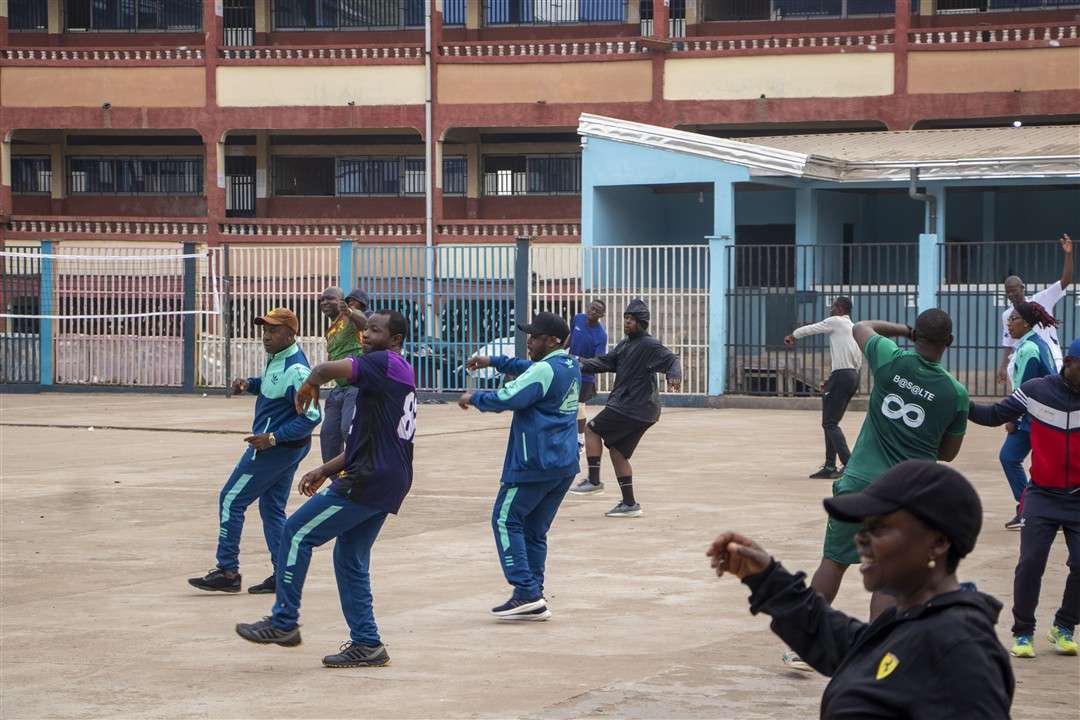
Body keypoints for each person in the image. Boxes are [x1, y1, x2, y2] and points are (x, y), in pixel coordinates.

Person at [707, 460, 1015, 719]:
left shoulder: (961, 648)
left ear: (938, 543)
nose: (860, 539)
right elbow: (844, 642)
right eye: (863, 528)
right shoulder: (907, 622)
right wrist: (767, 578)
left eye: (879, 528)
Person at [789, 310, 969, 671]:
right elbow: (948, 453)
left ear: (917, 336)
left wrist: (903, 329)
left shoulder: (890, 358)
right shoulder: (955, 393)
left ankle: (804, 647)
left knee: (834, 561)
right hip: (906, 496)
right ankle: (877, 656)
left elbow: (861, 327)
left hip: (858, 486)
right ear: (949, 342)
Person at [236, 310, 417, 668]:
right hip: (386, 477)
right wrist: (324, 468)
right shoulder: (393, 374)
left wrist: (311, 383)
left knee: (295, 533)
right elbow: (365, 442)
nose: (366, 336)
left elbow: (323, 370)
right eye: (365, 329)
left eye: (375, 331)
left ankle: (284, 621)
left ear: (395, 340)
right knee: (349, 557)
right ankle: (367, 643)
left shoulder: (383, 363)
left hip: (368, 479)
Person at [188, 308, 321, 595]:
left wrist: (272, 438)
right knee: (271, 509)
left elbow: (312, 416)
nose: (266, 336)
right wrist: (250, 384)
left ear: (290, 334)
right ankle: (283, 574)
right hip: (285, 448)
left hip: (274, 450)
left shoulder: (296, 370)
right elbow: (273, 388)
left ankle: (227, 570)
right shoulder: (278, 358)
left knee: (231, 499)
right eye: (265, 330)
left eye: (273, 330)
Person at [458, 311, 581, 620]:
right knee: (534, 530)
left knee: (504, 519)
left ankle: (525, 591)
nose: (529, 342)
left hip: (534, 461)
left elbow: (508, 397)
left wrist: (474, 397)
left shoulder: (544, 370)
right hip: (563, 463)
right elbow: (529, 369)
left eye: (535, 337)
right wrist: (494, 361)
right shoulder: (569, 365)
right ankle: (534, 593)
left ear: (552, 341)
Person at [966, 337, 1080, 659]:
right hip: (1042, 495)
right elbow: (993, 415)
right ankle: (1023, 632)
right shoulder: (1036, 391)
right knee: (1031, 562)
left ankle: (1064, 627)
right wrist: (958, 400)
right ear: (1069, 363)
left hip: (1078, 498)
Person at [569, 299, 682, 518]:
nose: (627, 322)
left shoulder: (649, 345)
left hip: (632, 405)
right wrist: (578, 363)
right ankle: (630, 504)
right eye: (626, 318)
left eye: (631, 319)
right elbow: (605, 362)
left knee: (592, 429)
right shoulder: (625, 345)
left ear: (641, 323)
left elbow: (672, 359)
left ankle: (594, 480)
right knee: (618, 452)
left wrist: (674, 375)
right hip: (643, 411)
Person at [784, 296, 862, 479]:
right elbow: (854, 361)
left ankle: (849, 464)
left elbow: (812, 328)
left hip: (842, 376)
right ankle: (829, 466)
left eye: (834, 306)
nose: (831, 309)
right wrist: (831, 379)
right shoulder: (853, 328)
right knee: (830, 422)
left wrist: (793, 335)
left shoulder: (836, 321)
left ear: (840, 309)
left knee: (829, 423)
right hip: (851, 376)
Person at [998, 301, 1058, 530]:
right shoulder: (1031, 344)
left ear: (1025, 323)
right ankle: (1032, 509)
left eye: (1013, 319)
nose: (1009, 323)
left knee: (1014, 459)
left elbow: (1025, 389)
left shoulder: (1030, 349)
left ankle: (1032, 511)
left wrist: (1012, 417)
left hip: (1038, 416)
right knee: (1019, 460)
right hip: (1038, 415)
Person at [998, 233, 1072, 385]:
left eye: (1014, 290)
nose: (1011, 294)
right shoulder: (1007, 315)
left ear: (1022, 288)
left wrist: (1068, 254)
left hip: (1049, 357)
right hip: (1025, 358)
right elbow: (1008, 342)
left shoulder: (1040, 300)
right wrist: (1004, 366)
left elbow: (1065, 281)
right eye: (1008, 291)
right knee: (1025, 392)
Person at [319, 286, 367, 464]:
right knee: (328, 436)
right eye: (322, 300)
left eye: (329, 298)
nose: (324, 302)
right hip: (339, 389)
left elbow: (365, 323)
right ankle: (338, 478)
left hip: (356, 385)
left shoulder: (350, 316)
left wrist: (349, 311)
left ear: (341, 301)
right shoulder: (330, 330)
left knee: (349, 429)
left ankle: (363, 470)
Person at [567, 300, 608, 452]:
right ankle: (566, 434)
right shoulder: (577, 318)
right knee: (565, 404)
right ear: (588, 307)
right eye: (592, 308)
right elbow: (571, 337)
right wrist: (559, 350)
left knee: (579, 406)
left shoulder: (601, 335)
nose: (593, 311)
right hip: (569, 369)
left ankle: (580, 440)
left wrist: (579, 360)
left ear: (602, 315)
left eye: (597, 311)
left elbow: (598, 361)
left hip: (585, 376)